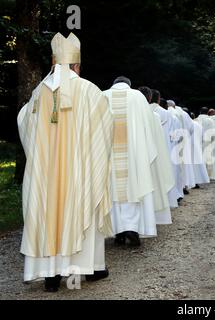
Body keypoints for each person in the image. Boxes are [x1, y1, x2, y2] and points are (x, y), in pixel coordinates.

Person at [17, 33, 113, 292]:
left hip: (45, 174)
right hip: (77, 172)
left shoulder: (38, 93)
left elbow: (24, 124)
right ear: (77, 65)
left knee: (46, 211)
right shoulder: (89, 90)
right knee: (77, 207)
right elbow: (105, 131)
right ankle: (83, 269)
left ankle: (49, 275)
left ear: (53, 62)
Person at [104, 77, 174, 247]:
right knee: (134, 189)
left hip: (108, 154)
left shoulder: (102, 96)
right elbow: (149, 124)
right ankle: (132, 228)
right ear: (129, 85)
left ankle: (117, 231)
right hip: (135, 154)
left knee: (111, 191)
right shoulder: (137, 97)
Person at [138, 87, 183, 207]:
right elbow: (175, 135)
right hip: (165, 147)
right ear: (158, 99)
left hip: (144, 147)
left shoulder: (139, 111)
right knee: (165, 173)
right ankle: (167, 200)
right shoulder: (167, 114)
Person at [167, 100, 197, 192]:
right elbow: (191, 127)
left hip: (171, 142)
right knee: (184, 165)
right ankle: (184, 186)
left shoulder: (166, 112)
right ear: (174, 105)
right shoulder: (183, 113)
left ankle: (175, 188)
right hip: (183, 141)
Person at [196, 107, 215, 180]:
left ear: (200, 112)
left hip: (198, 142)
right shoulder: (211, 121)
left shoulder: (196, 120)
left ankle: (199, 175)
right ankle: (209, 175)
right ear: (207, 112)